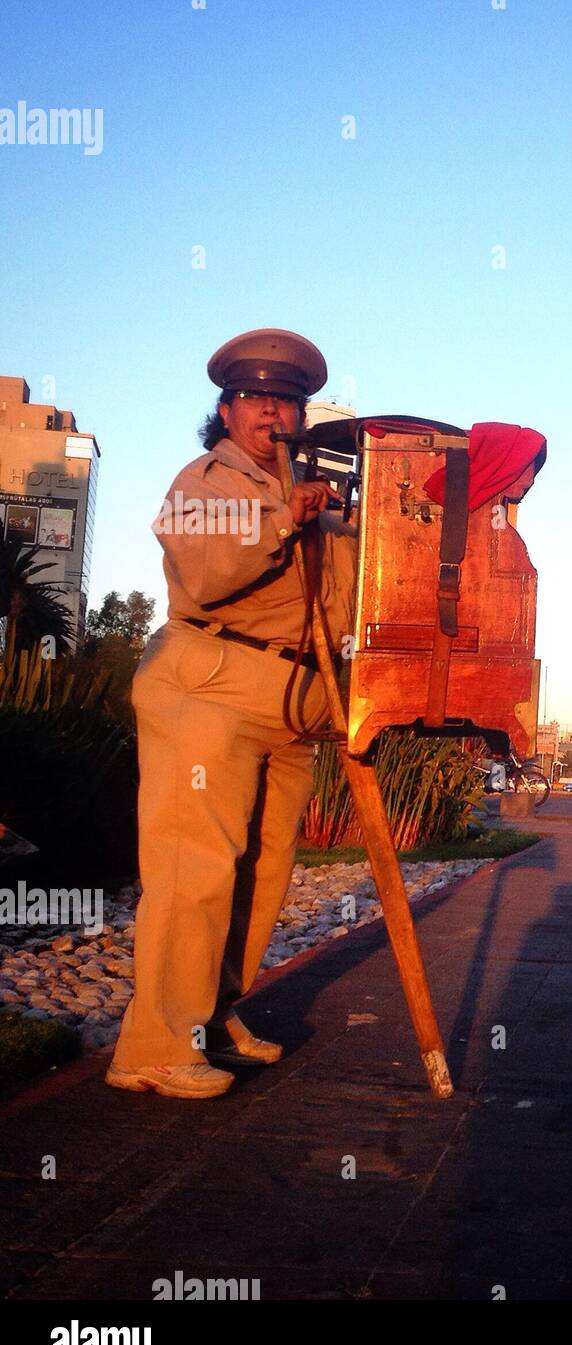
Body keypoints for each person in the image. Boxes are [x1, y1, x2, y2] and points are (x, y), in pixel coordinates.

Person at [107, 328, 356, 1099]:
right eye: (255, 398)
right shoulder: (206, 483)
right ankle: (152, 1047)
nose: (271, 412)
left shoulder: (320, 495)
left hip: (291, 706)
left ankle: (208, 1017)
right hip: (206, 689)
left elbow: (350, 598)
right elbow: (208, 573)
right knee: (195, 871)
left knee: (259, 873)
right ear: (226, 410)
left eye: (286, 400)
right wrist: (285, 518)